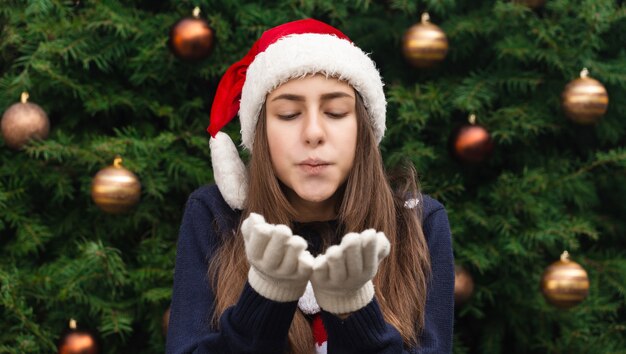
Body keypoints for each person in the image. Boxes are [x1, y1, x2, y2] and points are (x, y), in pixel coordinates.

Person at [166, 19, 454, 354]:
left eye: (335, 111)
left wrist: (355, 309)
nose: (313, 132)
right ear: (261, 134)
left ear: (363, 129)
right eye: (288, 114)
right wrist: (264, 298)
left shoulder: (418, 223)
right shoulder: (216, 217)